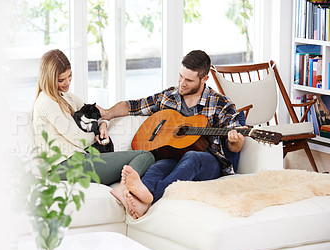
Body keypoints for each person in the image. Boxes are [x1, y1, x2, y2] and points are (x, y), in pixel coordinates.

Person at [98, 50, 246, 219]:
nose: (182, 83)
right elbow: (133, 105)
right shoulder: (169, 96)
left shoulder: (221, 103)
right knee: (157, 167)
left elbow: (236, 146)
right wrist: (108, 114)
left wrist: (235, 140)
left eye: (189, 80)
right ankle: (136, 196)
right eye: (180, 76)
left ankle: (148, 200)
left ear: (204, 79)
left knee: (192, 157)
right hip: (174, 156)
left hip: (209, 162)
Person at [32, 49, 155, 207]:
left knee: (146, 157)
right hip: (63, 167)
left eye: (69, 76)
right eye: (61, 80)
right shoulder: (46, 102)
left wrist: (103, 125)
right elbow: (78, 138)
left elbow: (100, 113)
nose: (67, 83)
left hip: (79, 160)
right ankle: (125, 189)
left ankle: (127, 190)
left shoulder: (67, 97)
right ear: (48, 79)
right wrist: (96, 133)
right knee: (145, 156)